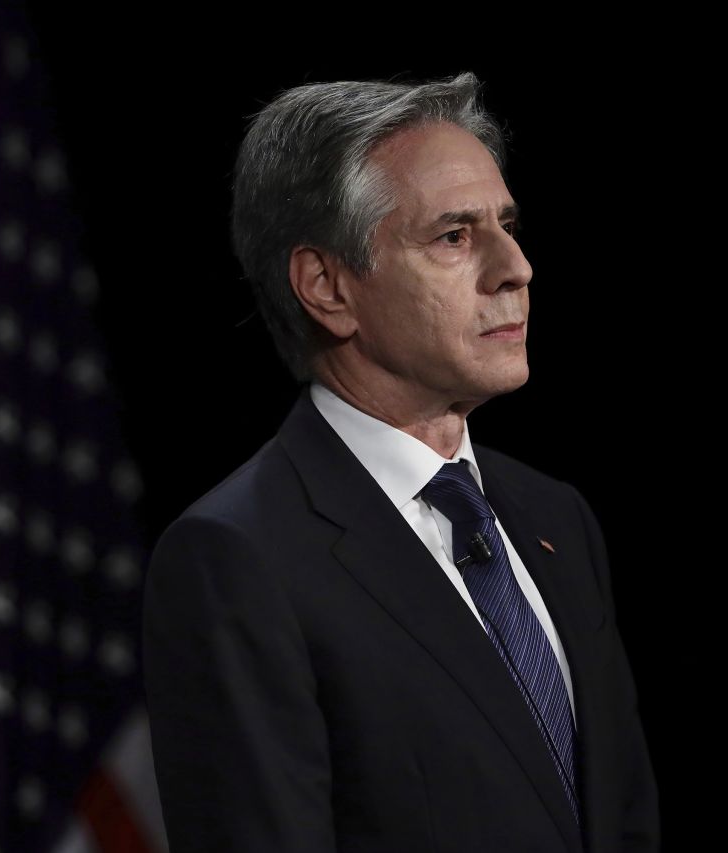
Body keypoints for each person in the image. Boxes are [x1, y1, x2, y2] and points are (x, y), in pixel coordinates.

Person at [140, 72, 660, 852]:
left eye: (507, 226)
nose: (516, 267)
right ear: (327, 287)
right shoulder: (237, 558)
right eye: (455, 236)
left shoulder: (557, 518)